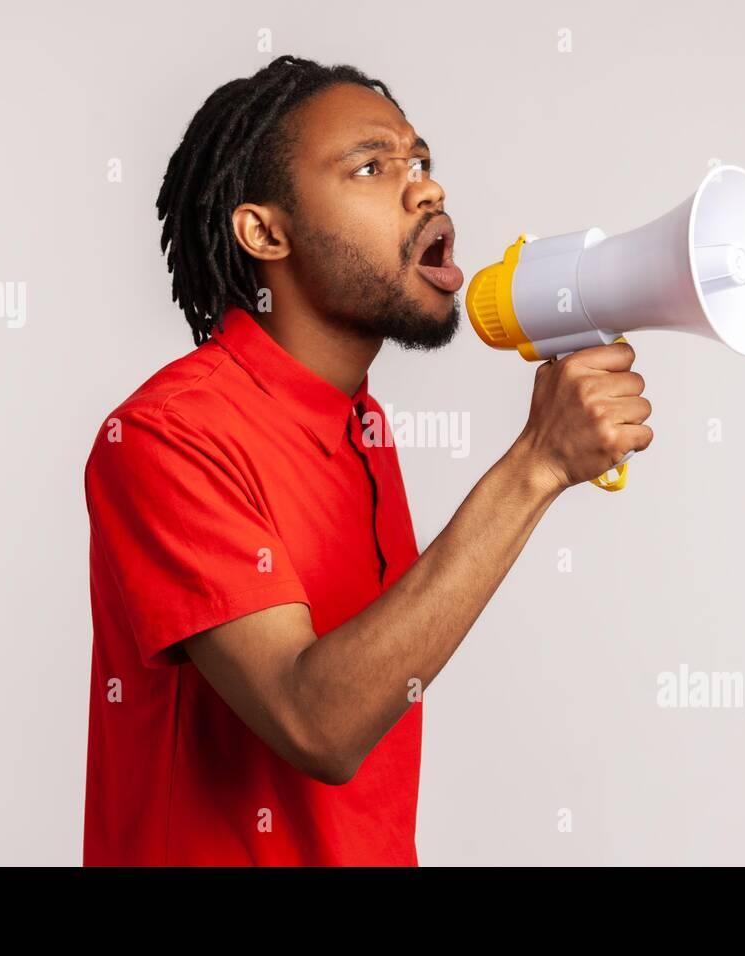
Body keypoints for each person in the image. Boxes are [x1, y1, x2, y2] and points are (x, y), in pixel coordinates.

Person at [82, 55, 652, 866]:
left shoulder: (361, 424)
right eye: (372, 166)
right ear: (265, 231)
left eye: (420, 161)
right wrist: (538, 465)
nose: (426, 188)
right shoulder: (169, 435)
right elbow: (317, 724)